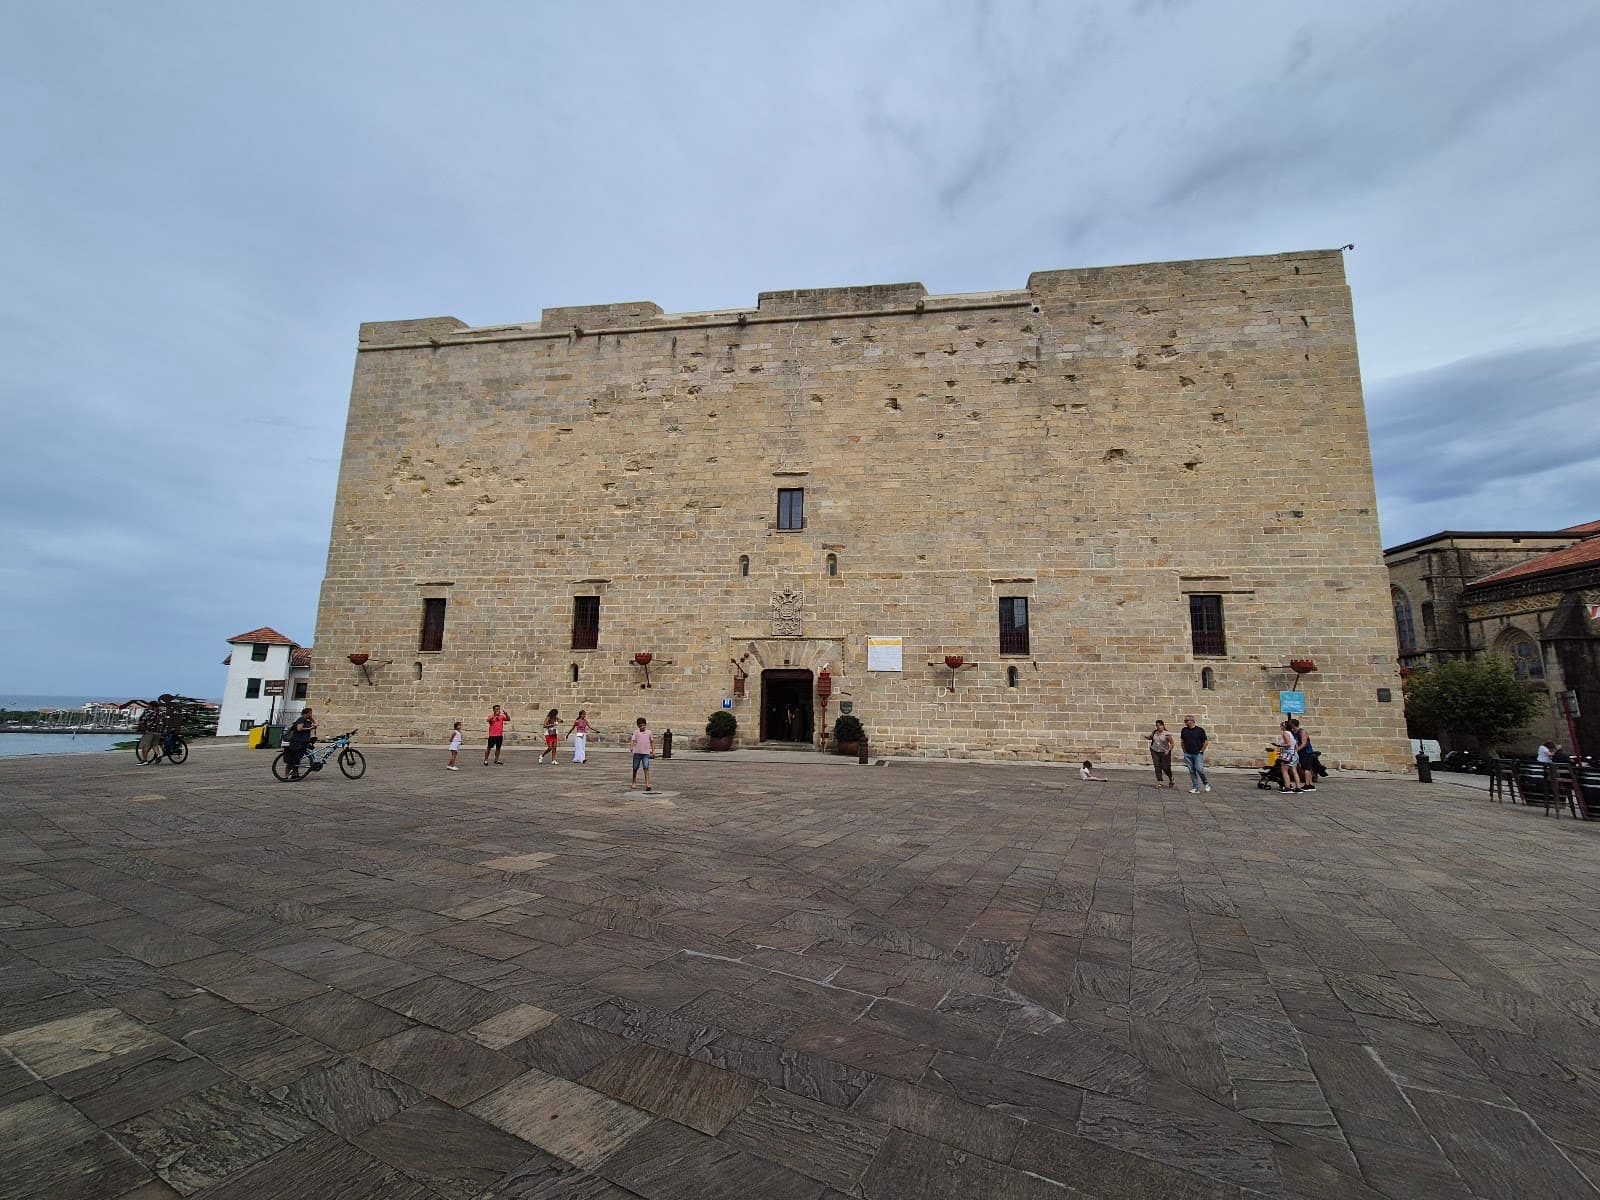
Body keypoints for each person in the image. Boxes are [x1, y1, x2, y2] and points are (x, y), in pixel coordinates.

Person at [137, 694, 172, 764]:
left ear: (151, 706)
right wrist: (163, 728)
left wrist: (142, 728)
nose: (148, 707)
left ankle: (145, 761)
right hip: (158, 731)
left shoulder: (149, 712)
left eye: (149, 706)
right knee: (155, 744)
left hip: (150, 731)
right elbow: (165, 721)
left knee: (145, 746)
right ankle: (159, 755)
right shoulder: (161, 712)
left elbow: (142, 720)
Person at [1180, 715, 1211, 793]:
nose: (1185, 722)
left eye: (1186, 721)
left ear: (1192, 721)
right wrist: (1184, 751)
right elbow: (1182, 741)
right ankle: (1195, 787)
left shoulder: (1200, 730)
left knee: (1199, 769)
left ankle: (1206, 783)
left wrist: (1201, 751)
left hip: (1197, 754)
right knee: (1192, 771)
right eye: (1185, 721)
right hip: (1188, 754)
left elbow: (1206, 741)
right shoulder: (1184, 730)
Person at [1143, 720, 1175, 787]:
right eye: (1157, 725)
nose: (1158, 727)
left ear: (1163, 726)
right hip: (1154, 751)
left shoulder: (1167, 734)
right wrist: (1146, 737)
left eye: (1160, 725)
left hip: (1164, 752)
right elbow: (1150, 737)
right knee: (1157, 766)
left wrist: (1168, 750)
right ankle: (1160, 782)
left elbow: (1172, 743)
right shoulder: (1155, 732)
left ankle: (1171, 778)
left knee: (1165, 767)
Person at [285, 707, 317, 774]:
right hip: (297, 741)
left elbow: (314, 725)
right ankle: (287, 774)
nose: (311, 714)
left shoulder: (307, 720)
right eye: (310, 713)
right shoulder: (301, 719)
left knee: (298, 758)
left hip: (303, 741)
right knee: (294, 758)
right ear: (306, 713)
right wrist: (310, 728)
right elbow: (299, 729)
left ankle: (295, 773)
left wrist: (312, 720)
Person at [1290, 719, 1320, 790]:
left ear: (1293, 724)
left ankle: (1307, 784)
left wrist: (1296, 750)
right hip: (1300, 752)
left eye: (1290, 723)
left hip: (1306, 752)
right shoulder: (1293, 732)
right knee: (1304, 768)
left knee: (1306, 768)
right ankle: (1310, 784)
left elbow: (1304, 743)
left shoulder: (1302, 731)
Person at [1277, 721, 1303, 793]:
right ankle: (1298, 787)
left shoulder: (1285, 733)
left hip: (1287, 753)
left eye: (1281, 725)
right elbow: (1295, 744)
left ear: (1284, 726)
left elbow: (1288, 744)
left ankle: (1287, 787)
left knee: (1284, 771)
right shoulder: (1292, 734)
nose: (1280, 727)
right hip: (1294, 753)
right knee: (1294, 771)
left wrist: (1279, 745)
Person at [630, 716, 654, 791]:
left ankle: (647, 784)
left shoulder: (649, 732)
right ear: (638, 726)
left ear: (645, 725)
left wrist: (653, 751)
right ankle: (634, 781)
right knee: (635, 768)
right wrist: (631, 747)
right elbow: (633, 740)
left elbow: (652, 741)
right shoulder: (636, 732)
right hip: (637, 753)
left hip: (646, 753)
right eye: (640, 726)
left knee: (646, 767)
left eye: (643, 725)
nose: (642, 727)